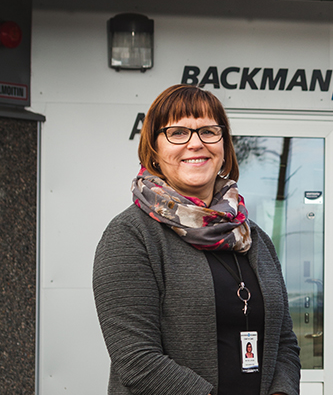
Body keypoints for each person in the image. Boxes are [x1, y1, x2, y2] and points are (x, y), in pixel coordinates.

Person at [93, 85, 300, 395]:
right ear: (154, 150)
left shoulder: (253, 237)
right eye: (177, 133)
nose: (195, 143)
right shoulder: (130, 234)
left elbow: (284, 343)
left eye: (208, 131)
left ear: (224, 146)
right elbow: (136, 360)